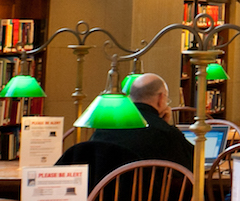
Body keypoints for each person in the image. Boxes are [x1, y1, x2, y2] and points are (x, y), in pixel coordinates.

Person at [55, 71, 194, 177]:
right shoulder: (165, 133)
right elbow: (193, 166)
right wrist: (168, 127)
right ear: (161, 98)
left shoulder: (106, 127)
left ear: (130, 97)